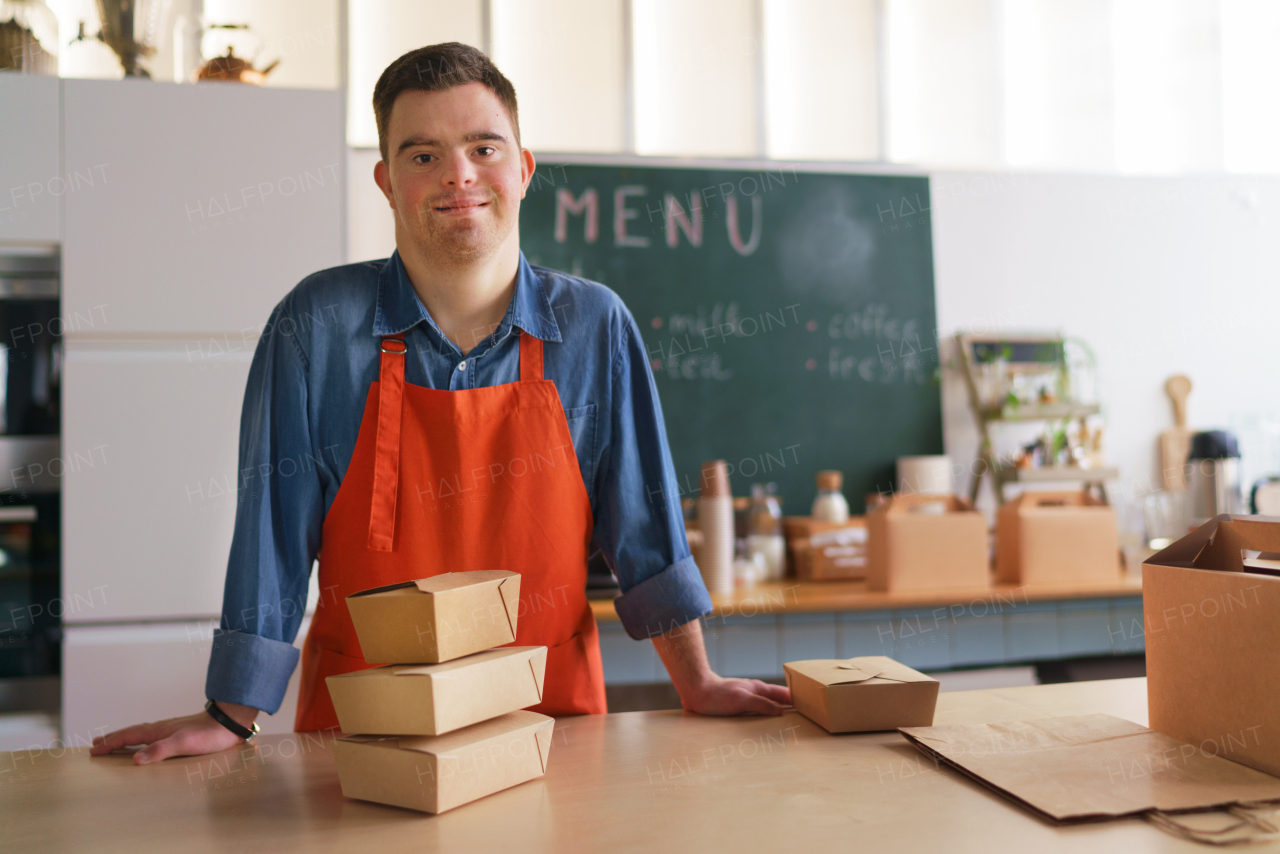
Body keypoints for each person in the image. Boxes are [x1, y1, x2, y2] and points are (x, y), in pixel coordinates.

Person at [91, 42, 790, 765]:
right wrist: (231, 713)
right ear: (386, 182)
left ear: (521, 169)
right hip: (363, 741)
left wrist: (697, 681)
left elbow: (645, 531)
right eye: (422, 155)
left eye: (483, 147)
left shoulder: (595, 326)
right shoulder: (314, 327)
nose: (459, 174)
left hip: (551, 735)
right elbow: (272, 534)